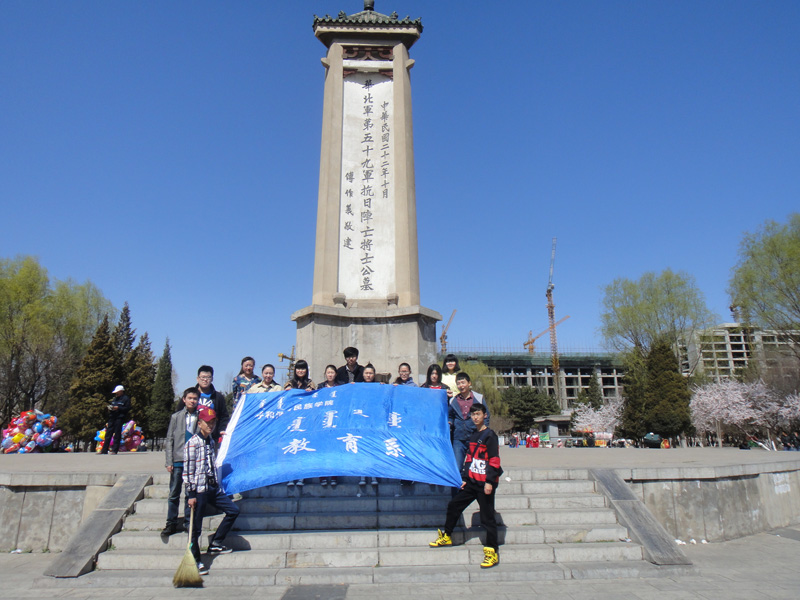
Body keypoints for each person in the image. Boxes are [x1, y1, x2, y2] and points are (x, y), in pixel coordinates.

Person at [429, 403, 501, 569]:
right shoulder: (473, 435)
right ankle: (447, 535)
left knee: (487, 517)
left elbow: (494, 460)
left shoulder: (490, 435)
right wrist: (465, 477)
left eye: (478, 414)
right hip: (472, 482)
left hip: (485, 484)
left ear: (485, 415)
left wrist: (490, 481)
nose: (475, 417)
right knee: (454, 505)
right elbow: (469, 459)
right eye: (473, 414)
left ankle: (492, 551)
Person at [184, 406, 240, 576]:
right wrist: (191, 494)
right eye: (207, 422)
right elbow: (188, 471)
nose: (210, 425)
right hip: (199, 490)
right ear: (199, 423)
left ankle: (216, 542)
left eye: (213, 422)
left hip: (212, 488)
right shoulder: (192, 443)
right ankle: (196, 560)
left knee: (233, 510)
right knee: (196, 528)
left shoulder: (211, 442)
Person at [162, 388, 200, 536]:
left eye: (195, 398)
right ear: (184, 399)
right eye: (190, 398)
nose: (192, 401)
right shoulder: (176, 417)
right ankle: (171, 523)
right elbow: (169, 439)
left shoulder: (200, 417)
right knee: (174, 493)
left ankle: (188, 522)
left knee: (190, 493)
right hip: (178, 460)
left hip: (193, 461)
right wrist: (169, 461)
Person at [449, 372, 490, 471]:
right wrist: (449, 423)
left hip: (474, 436)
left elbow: (486, 415)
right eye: (458, 384)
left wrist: (484, 431)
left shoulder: (478, 398)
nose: (461, 386)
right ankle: (458, 486)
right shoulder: (453, 400)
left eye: (463, 383)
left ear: (469, 383)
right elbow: (450, 416)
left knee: (474, 466)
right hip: (458, 438)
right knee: (457, 467)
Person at [284, 360, 315, 486]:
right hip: (292, 419)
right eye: (298, 368)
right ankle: (291, 475)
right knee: (292, 447)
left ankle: (302, 476)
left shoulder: (310, 383)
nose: (300, 371)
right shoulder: (289, 383)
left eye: (303, 369)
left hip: (306, 419)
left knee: (303, 447)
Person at [194, 366, 230, 441]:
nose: (205, 380)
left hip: (212, 437)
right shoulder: (190, 395)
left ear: (212, 379)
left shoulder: (218, 397)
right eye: (203, 377)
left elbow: (224, 416)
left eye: (208, 377)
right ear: (197, 379)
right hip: (193, 434)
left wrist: (222, 429)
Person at [318, 365, 339, 487]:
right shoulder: (320, 386)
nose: (330, 374)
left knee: (334, 449)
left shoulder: (341, 386)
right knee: (322, 449)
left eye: (332, 372)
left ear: (335, 374)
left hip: (335, 422)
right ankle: (323, 476)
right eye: (328, 372)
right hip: (323, 421)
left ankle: (334, 475)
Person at [359, 364, 379, 487]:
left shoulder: (379, 387)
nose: (368, 375)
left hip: (374, 422)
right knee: (362, 449)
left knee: (373, 448)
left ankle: (374, 474)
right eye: (366, 373)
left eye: (371, 373)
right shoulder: (358, 387)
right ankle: (362, 475)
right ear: (363, 374)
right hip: (361, 422)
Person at [100, 385, 130, 455]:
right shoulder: (115, 399)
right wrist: (111, 408)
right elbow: (113, 405)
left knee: (117, 433)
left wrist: (118, 408)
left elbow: (127, 408)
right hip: (112, 417)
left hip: (119, 418)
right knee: (108, 433)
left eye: (118, 392)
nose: (116, 393)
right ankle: (104, 450)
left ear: (121, 391)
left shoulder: (126, 399)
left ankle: (115, 450)